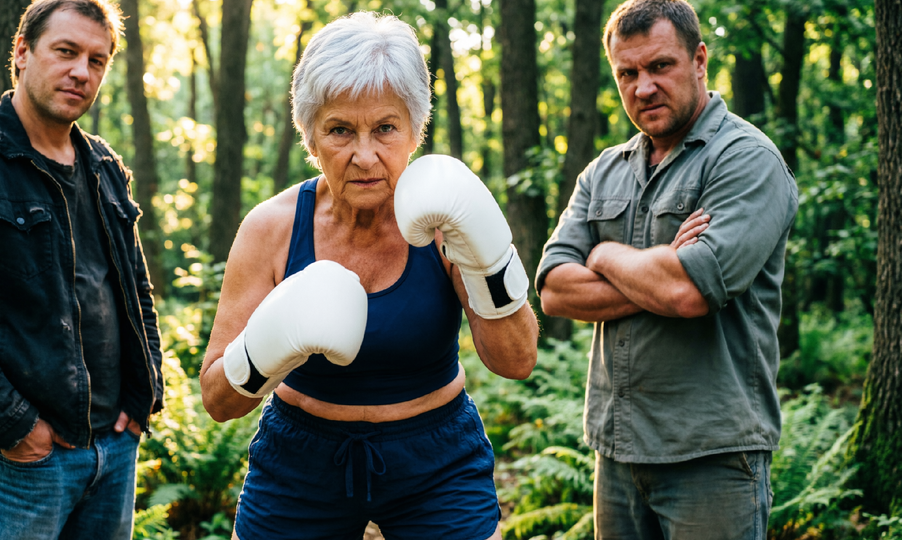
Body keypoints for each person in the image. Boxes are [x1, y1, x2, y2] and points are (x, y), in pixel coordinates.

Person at [198, 12, 539, 540]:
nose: (364, 155)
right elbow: (219, 402)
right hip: (299, 461)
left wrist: (487, 262)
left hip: (437, 461)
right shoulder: (272, 229)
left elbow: (516, 361)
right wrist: (264, 349)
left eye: (384, 128)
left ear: (414, 131)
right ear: (310, 136)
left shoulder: (448, 217)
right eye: (339, 130)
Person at [0, 1, 163, 538]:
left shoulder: (105, 167)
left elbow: (136, 289)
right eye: (65, 52)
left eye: (97, 59)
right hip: (22, 462)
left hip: (112, 450)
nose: (81, 72)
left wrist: (143, 399)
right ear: (21, 54)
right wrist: (18, 429)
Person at [535, 0, 798, 538]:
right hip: (618, 455)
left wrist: (604, 256)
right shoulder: (603, 172)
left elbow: (686, 292)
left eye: (660, 66)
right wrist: (660, 269)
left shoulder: (747, 160)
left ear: (699, 60)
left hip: (713, 458)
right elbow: (556, 290)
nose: (643, 87)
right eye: (627, 73)